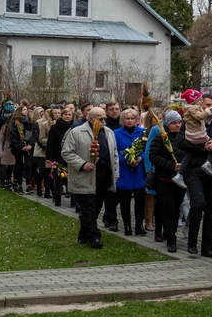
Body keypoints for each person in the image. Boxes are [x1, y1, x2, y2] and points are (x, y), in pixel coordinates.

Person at [61, 107, 118, 249]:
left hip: (103, 177)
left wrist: (115, 173)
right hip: (85, 176)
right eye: (101, 119)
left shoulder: (109, 133)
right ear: (91, 119)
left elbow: (114, 155)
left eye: (105, 118)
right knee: (89, 208)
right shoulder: (77, 132)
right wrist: (82, 164)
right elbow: (67, 152)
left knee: (96, 207)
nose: (104, 121)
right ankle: (95, 236)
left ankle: (84, 233)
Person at [179, 98, 212, 257]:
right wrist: (202, 147)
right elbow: (180, 143)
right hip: (195, 168)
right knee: (198, 204)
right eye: (207, 105)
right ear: (201, 106)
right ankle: (192, 243)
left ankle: (207, 246)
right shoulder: (190, 120)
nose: (210, 108)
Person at [149, 110, 185, 253]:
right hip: (165, 180)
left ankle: (171, 231)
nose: (177, 125)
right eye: (174, 123)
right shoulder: (161, 138)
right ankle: (171, 238)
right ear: (167, 124)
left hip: (180, 180)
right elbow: (153, 156)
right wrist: (171, 166)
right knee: (168, 209)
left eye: (179, 122)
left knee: (176, 208)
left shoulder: (184, 138)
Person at [113, 108, 147, 236]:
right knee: (125, 201)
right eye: (127, 118)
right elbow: (114, 152)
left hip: (138, 172)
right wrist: (125, 160)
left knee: (140, 202)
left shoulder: (143, 132)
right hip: (124, 172)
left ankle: (139, 226)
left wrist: (140, 158)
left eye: (132, 118)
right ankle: (127, 225)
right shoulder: (116, 133)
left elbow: (147, 149)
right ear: (122, 120)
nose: (130, 121)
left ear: (137, 120)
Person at [45, 105, 73, 207]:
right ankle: (57, 198)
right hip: (58, 156)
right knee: (58, 179)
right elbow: (50, 143)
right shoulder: (55, 127)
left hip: (70, 156)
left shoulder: (74, 127)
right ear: (61, 115)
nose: (67, 116)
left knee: (71, 179)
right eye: (65, 114)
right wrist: (49, 158)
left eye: (70, 115)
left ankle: (73, 200)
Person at [7, 105, 35, 193]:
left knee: (28, 166)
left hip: (29, 147)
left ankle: (28, 184)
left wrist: (30, 144)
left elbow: (34, 134)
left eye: (26, 109)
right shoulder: (15, 122)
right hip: (18, 148)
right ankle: (19, 184)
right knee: (19, 166)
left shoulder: (30, 121)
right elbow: (13, 137)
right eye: (24, 109)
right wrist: (21, 146)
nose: (26, 111)